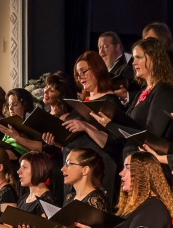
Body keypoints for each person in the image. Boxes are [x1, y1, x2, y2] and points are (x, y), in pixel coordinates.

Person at [49, 51, 121, 198]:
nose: (79, 76)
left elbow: (116, 143)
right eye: (77, 73)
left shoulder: (109, 102)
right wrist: (56, 140)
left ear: (97, 69)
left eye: (83, 71)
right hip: (73, 171)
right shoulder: (83, 102)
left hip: (96, 171)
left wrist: (86, 127)